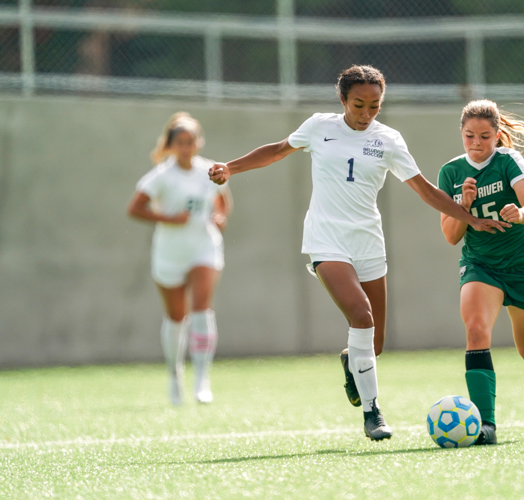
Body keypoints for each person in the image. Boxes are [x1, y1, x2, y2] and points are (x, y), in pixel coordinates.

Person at [207, 65, 508, 441]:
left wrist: (469, 218)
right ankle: (373, 413)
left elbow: (425, 189)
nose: (366, 114)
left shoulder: (389, 140)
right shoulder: (319, 126)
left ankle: (353, 360)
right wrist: (230, 168)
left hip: (368, 241)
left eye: (375, 106)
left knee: (374, 343)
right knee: (361, 316)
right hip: (326, 240)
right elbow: (277, 151)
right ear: (343, 100)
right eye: (358, 105)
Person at [437, 100, 524, 446]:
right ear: (461, 133)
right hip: (481, 265)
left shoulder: (508, 161)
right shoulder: (451, 173)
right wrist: (464, 206)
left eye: (485, 136)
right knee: (475, 331)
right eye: (469, 135)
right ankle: (485, 424)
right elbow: (451, 236)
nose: (476, 142)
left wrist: (520, 212)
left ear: (497, 135)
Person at [127, 112, 232, 406]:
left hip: (204, 248)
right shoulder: (161, 175)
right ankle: (175, 376)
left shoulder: (211, 170)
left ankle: (202, 379)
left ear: (199, 142)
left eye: (191, 141)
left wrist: (219, 217)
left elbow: (223, 202)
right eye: (180, 142)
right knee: (176, 317)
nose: (186, 147)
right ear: (171, 144)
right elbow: (135, 208)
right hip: (170, 252)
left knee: (201, 308)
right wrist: (168, 218)